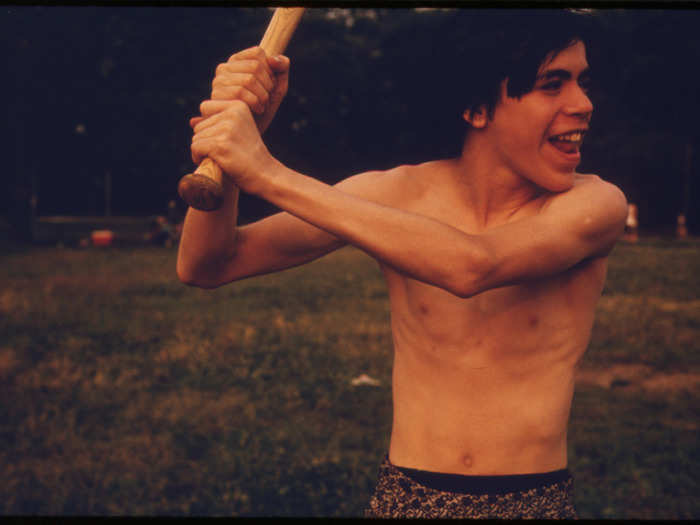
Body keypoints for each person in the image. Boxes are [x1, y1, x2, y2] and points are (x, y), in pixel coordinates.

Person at [177, 9, 627, 519]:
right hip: (405, 499)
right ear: (477, 108)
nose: (584, 104)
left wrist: (262, 169)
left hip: (532, 503)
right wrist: (236, 155)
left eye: (581, 82)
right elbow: (207, 264)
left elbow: (470, 266)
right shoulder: (396, 195)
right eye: (553, 84)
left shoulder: (595, 205)